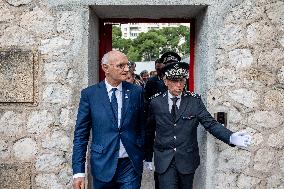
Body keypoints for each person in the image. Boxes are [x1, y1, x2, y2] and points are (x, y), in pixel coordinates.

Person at [144, 61, 252, 189]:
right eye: (174, 81)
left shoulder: (194, 101)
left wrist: (230, 137)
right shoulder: (155, 102)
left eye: (182, 81)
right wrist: (147, 156)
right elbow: (150, 131)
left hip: (187, 159)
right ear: (165, 81)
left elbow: (210, 123)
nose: (179, 85)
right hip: (164, 160)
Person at [72, 50, 145, 189]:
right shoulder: (90, 94)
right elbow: (81, 135)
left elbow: (141, 126)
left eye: (127, 65)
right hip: (102, 164)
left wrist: (140, 150)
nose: (126, 69)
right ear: (106, 68)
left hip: (130, 164)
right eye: (121, 65)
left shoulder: (136, 92)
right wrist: (78, 172)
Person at [144, 51, 182, 189]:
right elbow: (149, 124)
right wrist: (148, 155)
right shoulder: (153, 83)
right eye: (169, 65)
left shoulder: (184, 84)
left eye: (175, 65)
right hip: (161, 142)